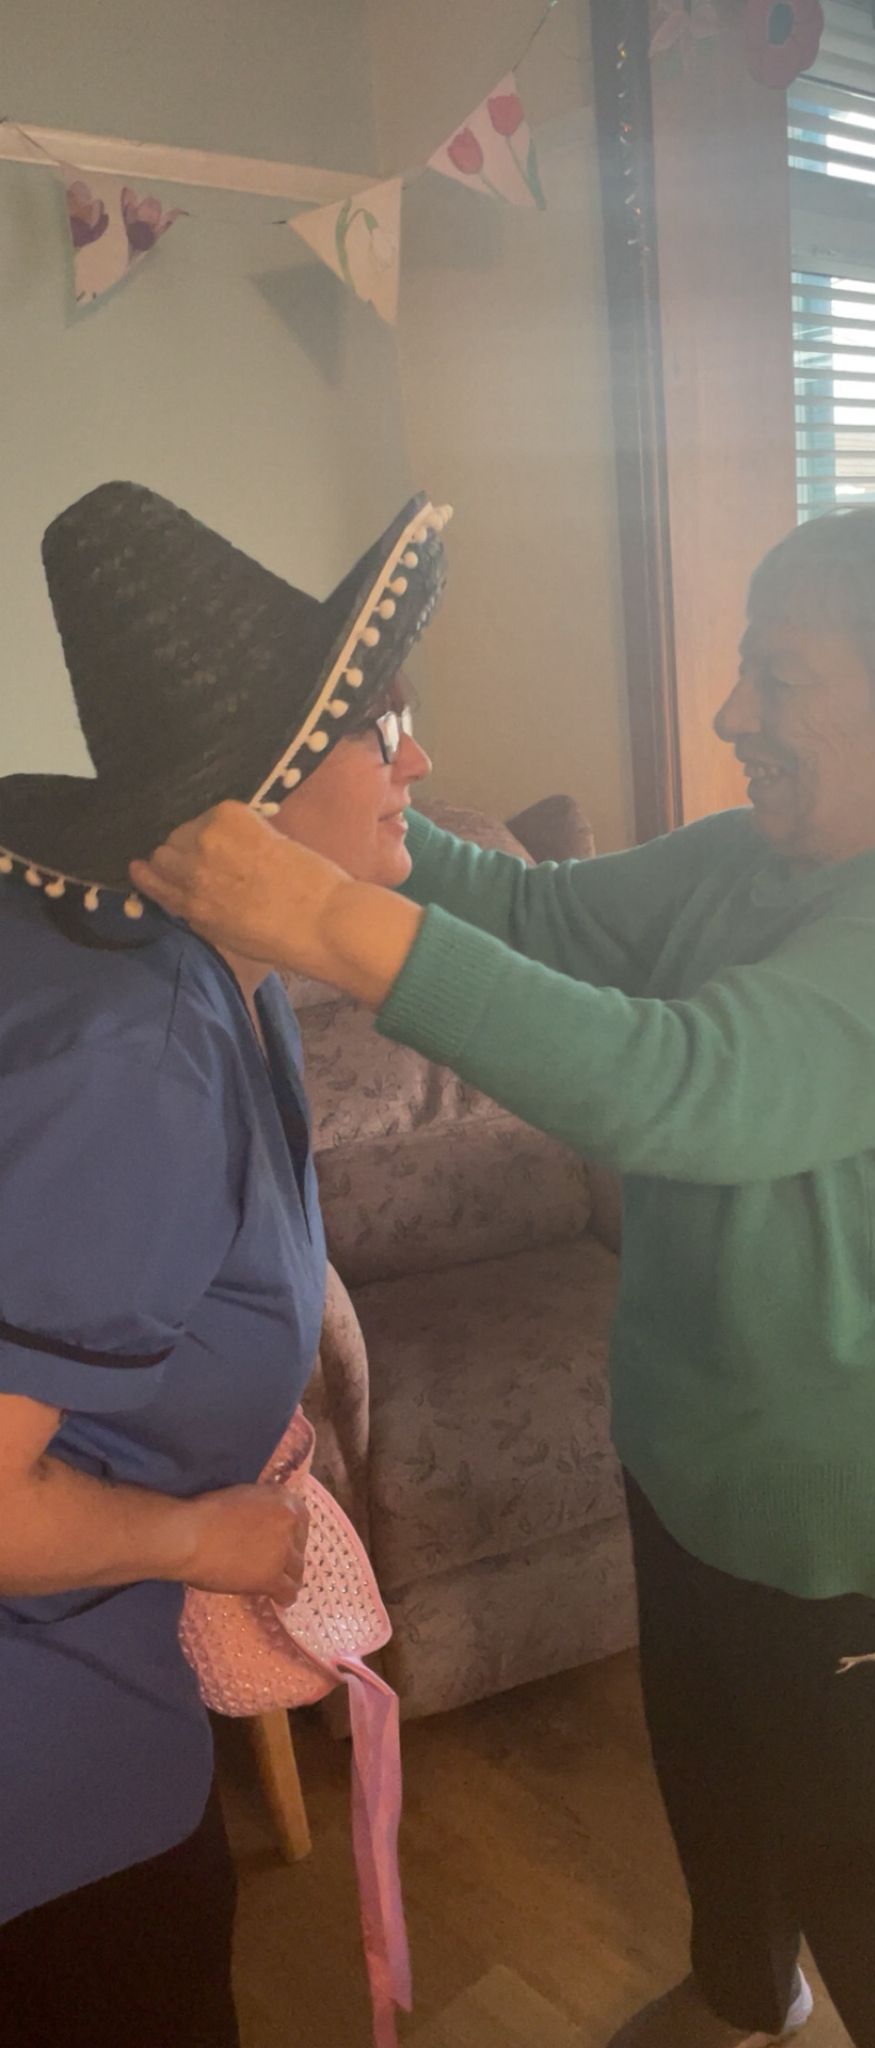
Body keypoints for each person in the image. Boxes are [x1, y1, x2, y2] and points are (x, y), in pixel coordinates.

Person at [133, 506, 875, 2048]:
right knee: (719, 1776)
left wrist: (325, 918)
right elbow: (543, 918)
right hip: (700, 1462)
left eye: (777, 675)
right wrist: (353, 822)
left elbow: (677, 1085)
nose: (732, 712)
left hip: (873, 1510)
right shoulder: (745, 860)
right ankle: (744, 1992)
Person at [0, 478, 446, 2048]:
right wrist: (211, 1537)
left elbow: (169, 1239)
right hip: (38, 1786)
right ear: (257, 804)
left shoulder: (213, 976)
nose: (421, 764)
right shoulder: (132, 1055)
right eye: (382, 732)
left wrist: (289, 1301)